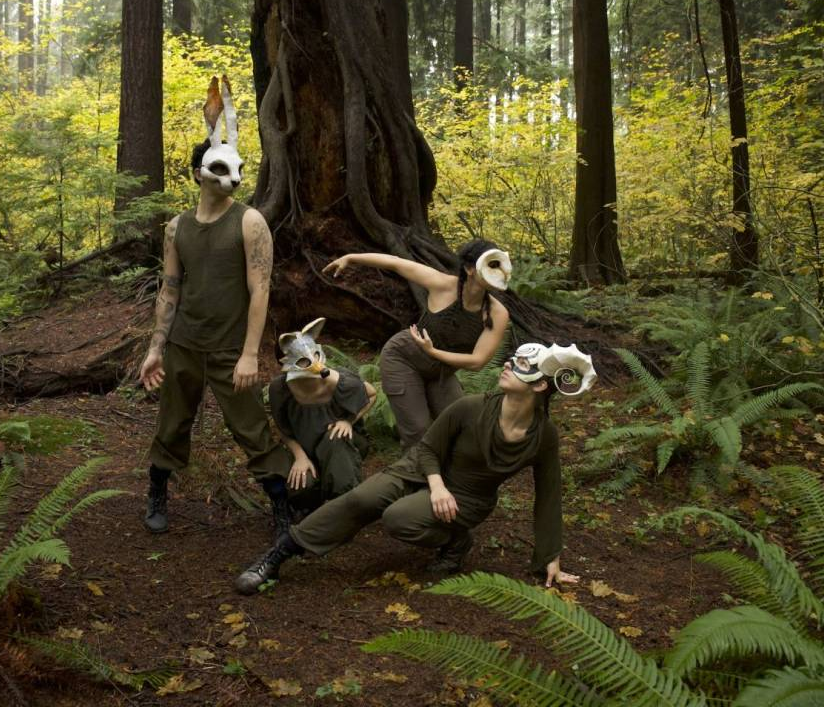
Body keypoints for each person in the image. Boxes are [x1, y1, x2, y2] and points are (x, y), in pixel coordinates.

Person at [232, 342, 599, 595]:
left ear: (539, 386)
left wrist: (550, 556)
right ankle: (280, 553)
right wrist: (436, 486)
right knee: (361, 498)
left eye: (522, 366)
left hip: (467, 498)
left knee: (397, 518)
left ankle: (456, 541)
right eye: (512, 358)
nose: (507, 364)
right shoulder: (471, 407)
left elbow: (549, 493)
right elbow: (426, 449)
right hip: (420, 469)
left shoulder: (543, 436)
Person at [137, 76, 293, 536]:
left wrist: (249, 353)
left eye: (237, 170)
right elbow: (169, 290)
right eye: (221, 171)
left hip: (229, 349)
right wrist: (155, 349)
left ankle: (282, 510)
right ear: (199, 174)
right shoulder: (176, 228)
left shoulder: (250, 222)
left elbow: (261, 290)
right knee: (171, 423)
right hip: (185, 344)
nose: (234, 180)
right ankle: (157, 491)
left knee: (251, 430)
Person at [323, 239, 512, 451]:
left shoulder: (497, 313)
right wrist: (351, 258)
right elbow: (396, 263)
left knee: (459, 426)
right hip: (403, 358)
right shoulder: (442, 284)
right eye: (491, 265)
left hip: (440, 370)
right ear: (470, 269)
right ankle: (417, 480)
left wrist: (433, 352)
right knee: (419, 431)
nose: (498, 271)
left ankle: (452, 478)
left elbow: (477, 362)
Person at [269, 318, 378, 515]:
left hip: (340, 444)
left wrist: (348, 421)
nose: (315, 364)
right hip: (307, 447)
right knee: (301, 487)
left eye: (315, 355)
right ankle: (314, 505)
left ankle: (346, 506)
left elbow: (371, 394)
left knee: (334, 441)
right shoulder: (279, 389)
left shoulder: (340, 381)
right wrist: (300, 456)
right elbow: (283, 429)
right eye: (303, 360)